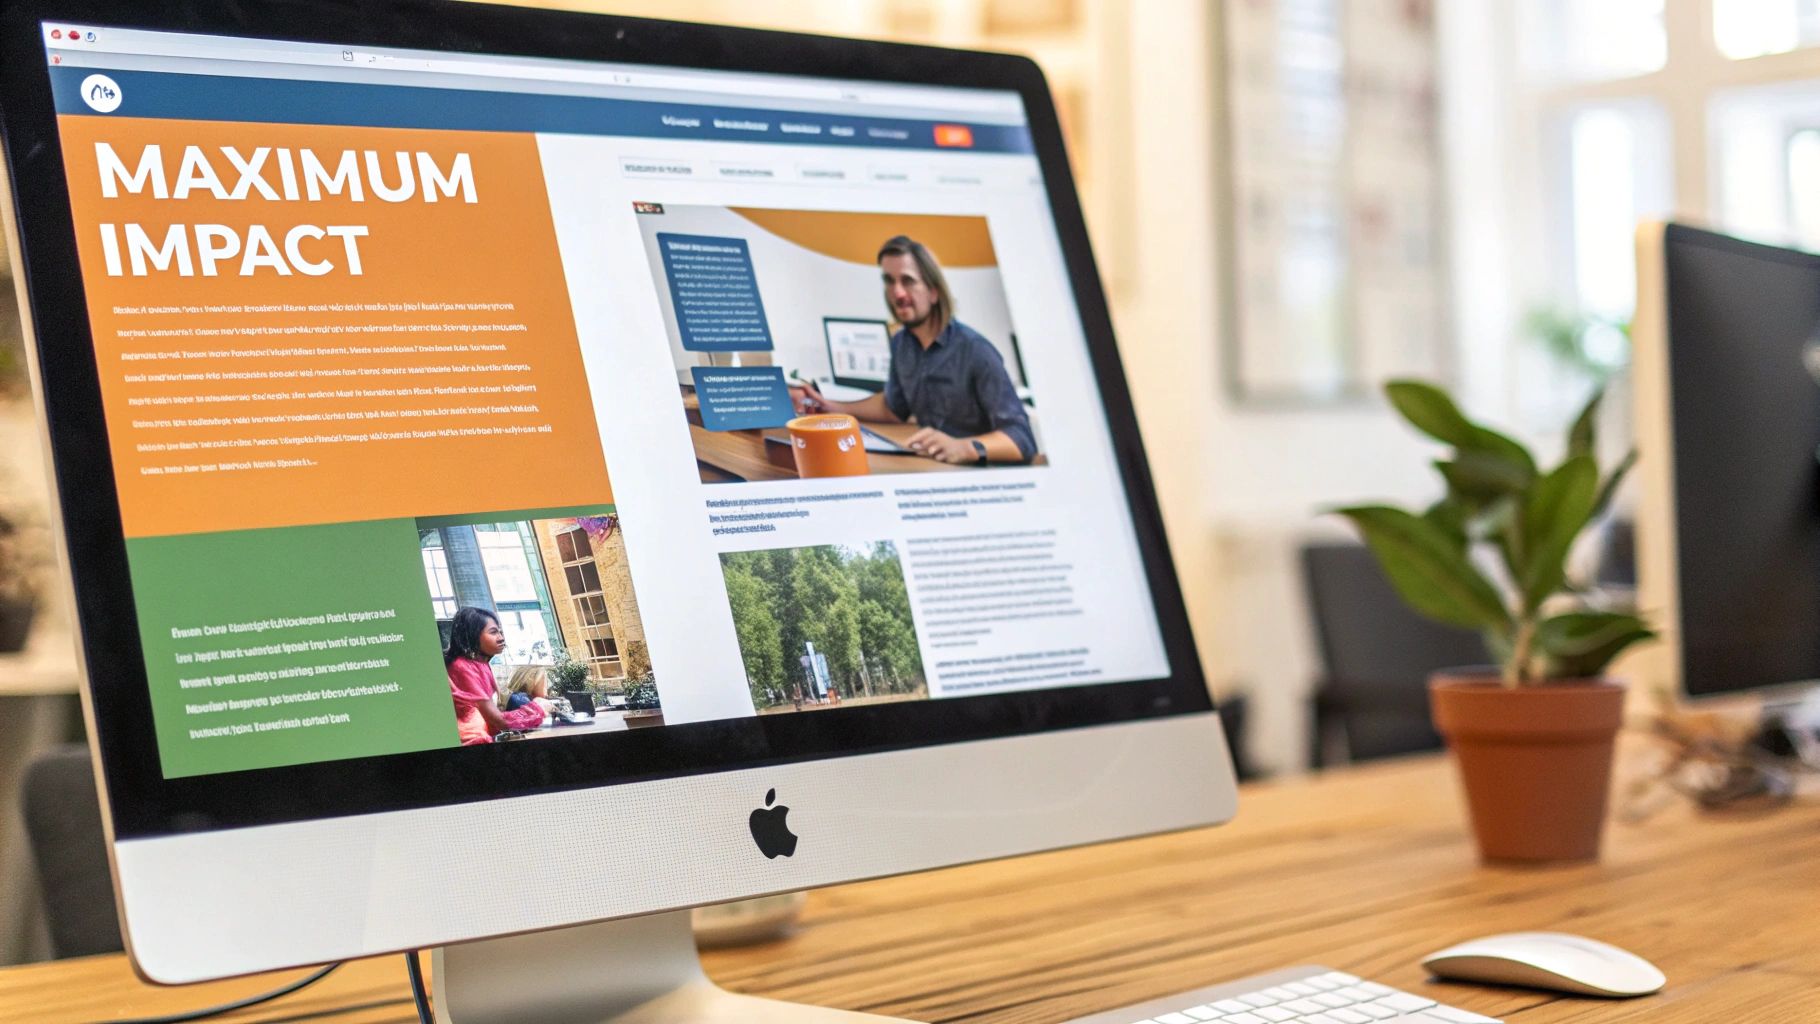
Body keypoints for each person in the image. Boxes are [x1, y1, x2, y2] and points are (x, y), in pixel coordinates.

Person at [792, 235, 1037, 465]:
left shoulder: (976, 351)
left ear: (933, 292)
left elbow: (1022, 439)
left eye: (907, 281)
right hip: (933, 465)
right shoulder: (901, 344)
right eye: (889, 281)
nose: (897, 293)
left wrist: (965, 447)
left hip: (980, 475)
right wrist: (832, 407)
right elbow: (893, 409)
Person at [445, 606, 544, 744]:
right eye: (493, 632)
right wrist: (540, 709)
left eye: (500, 632)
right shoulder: (462, 666)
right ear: (472, 635)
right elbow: (499, 721)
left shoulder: (481, 664)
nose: (501, 638)